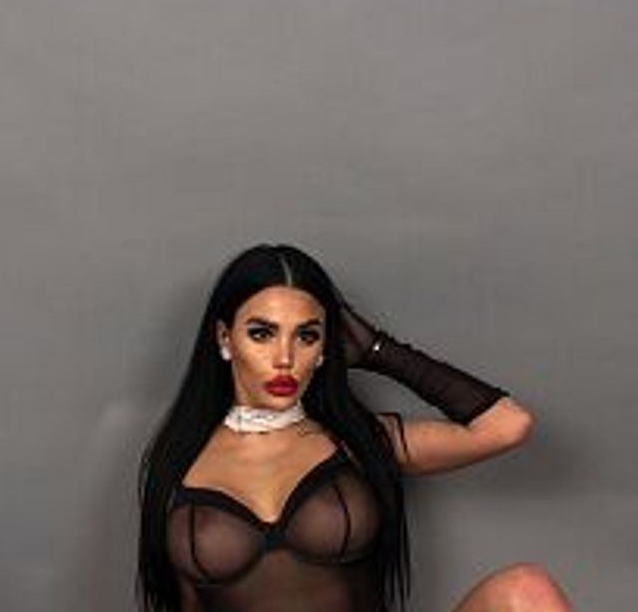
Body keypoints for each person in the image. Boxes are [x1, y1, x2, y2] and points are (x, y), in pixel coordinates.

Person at [136, 243, 573, 612]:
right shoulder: (179, 458)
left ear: (325, 347)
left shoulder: (359, 439)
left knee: (527, 591)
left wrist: (377, 348)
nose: (285, 358)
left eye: (307, 336)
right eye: (262, 334)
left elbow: (506, 425)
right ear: (225, 339)